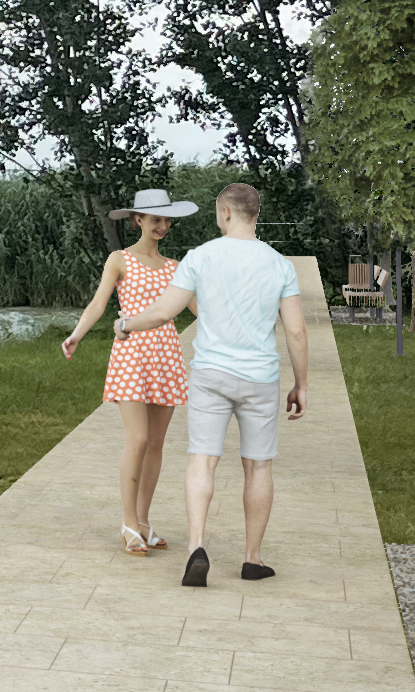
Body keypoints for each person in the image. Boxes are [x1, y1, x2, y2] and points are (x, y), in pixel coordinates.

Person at [103, 179, 308, 586]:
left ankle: (197, 548)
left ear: (226, 213)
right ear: (256, 214)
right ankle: (252, 559)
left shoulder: (200, 257)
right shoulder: (280, 265)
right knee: (258, 465)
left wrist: (125, 324)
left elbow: (164, 312)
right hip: (260, 379)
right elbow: (297, 332)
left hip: (211, 376)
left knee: (203, 460)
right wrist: (301, 384)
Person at [61, 190, 201, 550]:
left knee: (155, 444)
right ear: (137, 220)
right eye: (155, 219)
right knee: (137, 439)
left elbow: (201, 311)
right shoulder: (119, 259)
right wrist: (77, 335)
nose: (163, 226)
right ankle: (127, 523)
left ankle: (143, 520)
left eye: (167, 220)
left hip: (166, 355)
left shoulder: (176, 267)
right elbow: (98, 303)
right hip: (131, 355)